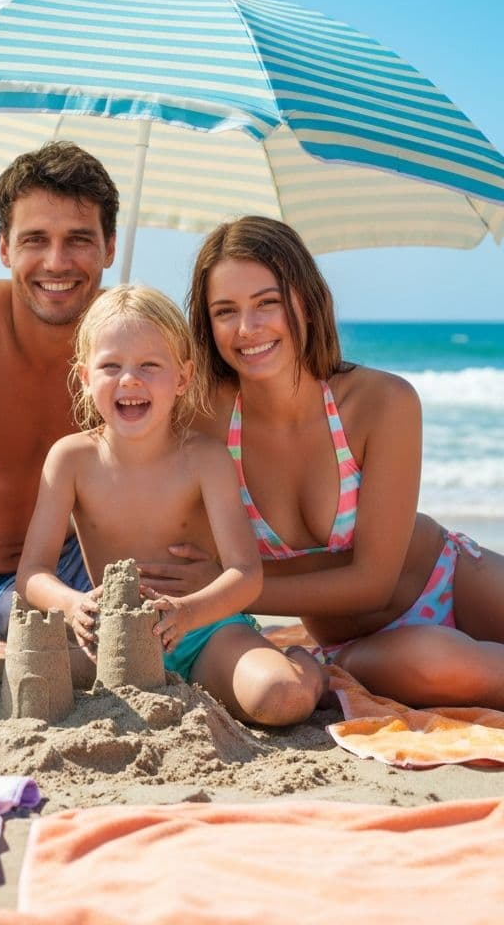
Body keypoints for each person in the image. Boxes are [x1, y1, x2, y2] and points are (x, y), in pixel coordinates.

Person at [146, 214, 504, 710]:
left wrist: (223, 592)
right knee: (454, 669)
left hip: (454, 577)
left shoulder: (383, 401)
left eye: (267, 303)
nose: (248, 328)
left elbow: (374, 582)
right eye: (225, 311)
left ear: (307, 303)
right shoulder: (204, 423)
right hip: (361, 647)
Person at [16, 285, 319, 725]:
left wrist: (188, 612)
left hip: (204, 633)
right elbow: (32, 572)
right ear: (84, 377)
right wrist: (71, 605)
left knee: (281, 697)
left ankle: (308, 666)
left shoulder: (205, 459)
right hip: (111, 638)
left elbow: (246, 574)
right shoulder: (71, 459)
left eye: (149, 365)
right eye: (111, 366)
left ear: (182, 378)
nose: (129, 379)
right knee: (21, 673)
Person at [0, 141, 119, 640]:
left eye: (79, 240)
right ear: (5, 247)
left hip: (85, 566)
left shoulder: (136, 341)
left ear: (110, 247)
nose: (56, 262)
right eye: (35, 240)